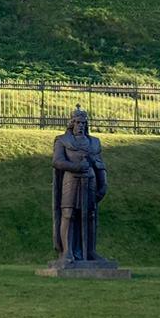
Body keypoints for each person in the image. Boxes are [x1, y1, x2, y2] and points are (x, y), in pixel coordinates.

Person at [50, 107, 112, 267]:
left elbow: (99, 164)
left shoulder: (94, 142)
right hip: (71, 180)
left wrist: (103, 184)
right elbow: (57, 161)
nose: (80, 126)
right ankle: (67, 252)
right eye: (77, 122)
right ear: (71, 123)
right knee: (68, 214)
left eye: (83, 123)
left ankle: (89, 251)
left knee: (90, 215)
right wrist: (76, 166)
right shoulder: (62, 140)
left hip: (90, 181)